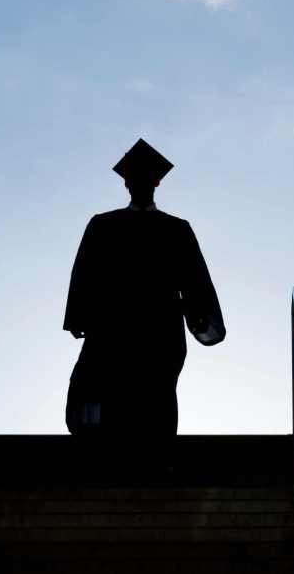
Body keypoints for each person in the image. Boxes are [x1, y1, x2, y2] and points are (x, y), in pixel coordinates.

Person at [63, 138, 225, 438]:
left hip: (160, 324)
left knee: (156, 393)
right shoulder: (103, 224)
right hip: (113, 322)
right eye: (134, 177)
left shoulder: (177, 228)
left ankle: (156, 457)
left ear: (157, 182)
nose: (140, 182)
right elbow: (84, 270)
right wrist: (78, 315)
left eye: (146, 177)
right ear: (126, 183)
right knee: (101, 387)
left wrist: (200, 316)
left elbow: (195, 276)